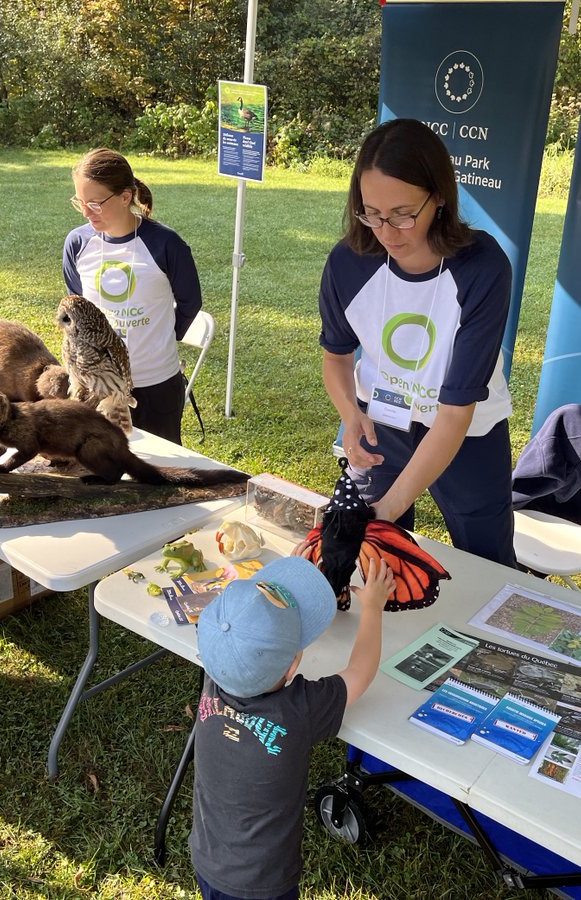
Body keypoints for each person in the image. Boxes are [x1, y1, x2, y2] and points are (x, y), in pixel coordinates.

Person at [318, 117, 516, 566]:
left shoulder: (482, 269)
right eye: (371, 214)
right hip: (382, 422)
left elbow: (454, 414)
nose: (386, 232)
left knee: (486, 563)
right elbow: (337, 356)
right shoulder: (349, 263)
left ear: (440, 197)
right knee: (373, 561)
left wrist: (385, 511)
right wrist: (350, 415)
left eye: (404, 214)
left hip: (468, 433)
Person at [191, 553, 394, 900]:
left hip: (208, 858)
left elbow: (241, 638)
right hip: (263, 885)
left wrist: (286, 584)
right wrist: (373, 608)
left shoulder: (216, 675)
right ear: (294, 665)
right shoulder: (298, 710)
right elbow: (361, 672)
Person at [62, 148, 203, 444]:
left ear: (126, 197)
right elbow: (77, 308)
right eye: (80, 202)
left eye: (96, 203)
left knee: (159, 471)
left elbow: (190, 303)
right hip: (97, 386)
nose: (87, 212)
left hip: (155, 384)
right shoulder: (78, 243)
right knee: (101, 465)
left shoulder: (166, 244)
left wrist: (161, 337)